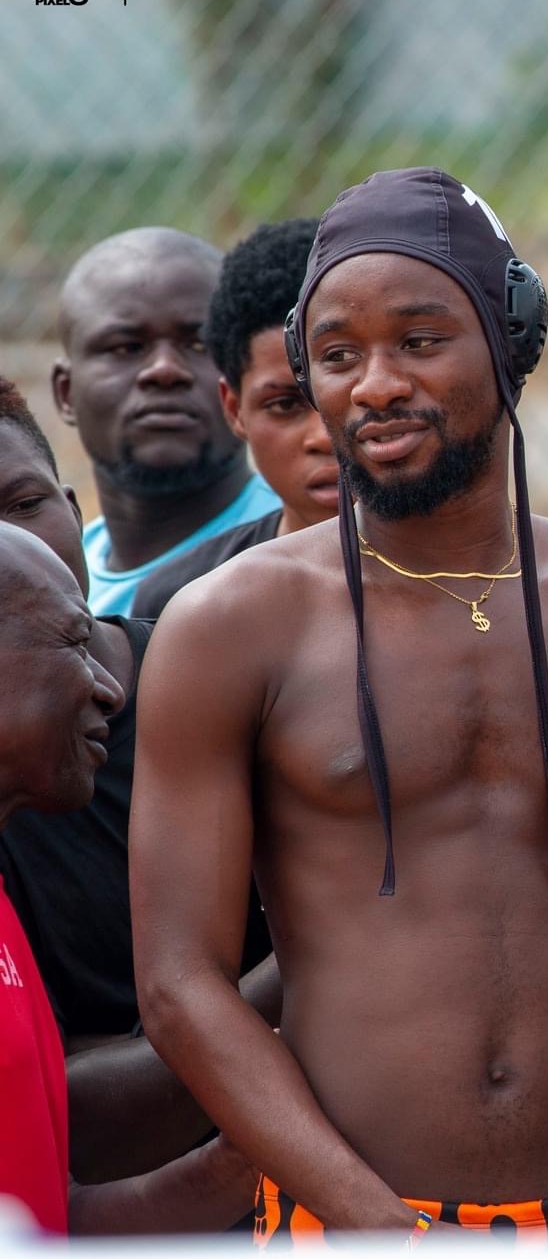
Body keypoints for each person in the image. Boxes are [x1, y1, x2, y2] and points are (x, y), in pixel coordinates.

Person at [130, 168, 548, 1240]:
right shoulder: (229, 628)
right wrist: (378, 1225)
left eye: (419, 340)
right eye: (337, 355)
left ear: (510, 340)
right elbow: (179, 983)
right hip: (348, 1225)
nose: (376, 385)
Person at [0, 378, 275, 1185]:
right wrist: (321, 954)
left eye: (22, 505)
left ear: (70, 506)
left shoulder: (231, 685)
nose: (107, 694)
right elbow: (58, 1125)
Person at [49, 226, 278, 616]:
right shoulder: (51, 580)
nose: (165, 369)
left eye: (200, 344)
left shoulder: (305, 553)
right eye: (127, 347)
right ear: (66, 392)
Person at [131, 220, 335, 619]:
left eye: (344, 397)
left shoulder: (461, 579)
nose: (324, 437)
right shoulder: (186, 600)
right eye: (284, 404)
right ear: (234, 408)